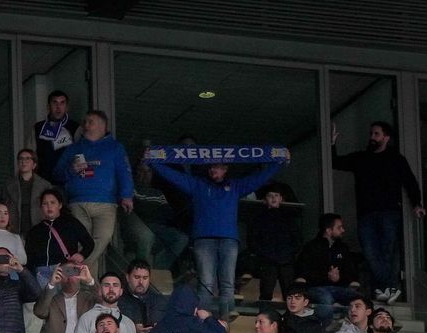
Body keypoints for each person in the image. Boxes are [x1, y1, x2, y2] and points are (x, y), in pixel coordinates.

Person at [151, 155, 288, 321]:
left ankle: (226, 324)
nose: (213, 170)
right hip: (204, 240)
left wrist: (278, 164)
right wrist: (154, 162)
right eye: (210, 168)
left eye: (216, 167)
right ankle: (202, 321)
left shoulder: (235, 186)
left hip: (229, 240)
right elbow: (174, 177)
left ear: (225, 168)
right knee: (206, 283)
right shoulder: (198, 184)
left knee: (227, 284)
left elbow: (257, 179)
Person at [330, 120, 423, 302]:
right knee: (371, 252)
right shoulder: (362, 158)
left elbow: (410, 182)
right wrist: (332, 143)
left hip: (389, 212)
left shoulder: (396, 159)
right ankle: (390, 287)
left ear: (386, 138)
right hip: (366, 214)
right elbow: (336, 162)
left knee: (387, 251)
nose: (372, 137)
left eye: (376, 134)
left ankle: (385, 288)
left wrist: (417, 204)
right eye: (371, 133)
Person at [52, 110, 134, 267]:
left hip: (106, 204)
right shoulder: (73, 148)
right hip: (77, 203)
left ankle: (73, 270)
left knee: (102, 239)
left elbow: (125, 171)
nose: (85, 125)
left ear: (103, 126)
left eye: (90, 122)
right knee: (83, 246)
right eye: (85, 122)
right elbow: (56, 174)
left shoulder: (115, 148)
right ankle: (89, 286)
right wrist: (71, 169)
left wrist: (127, 195)